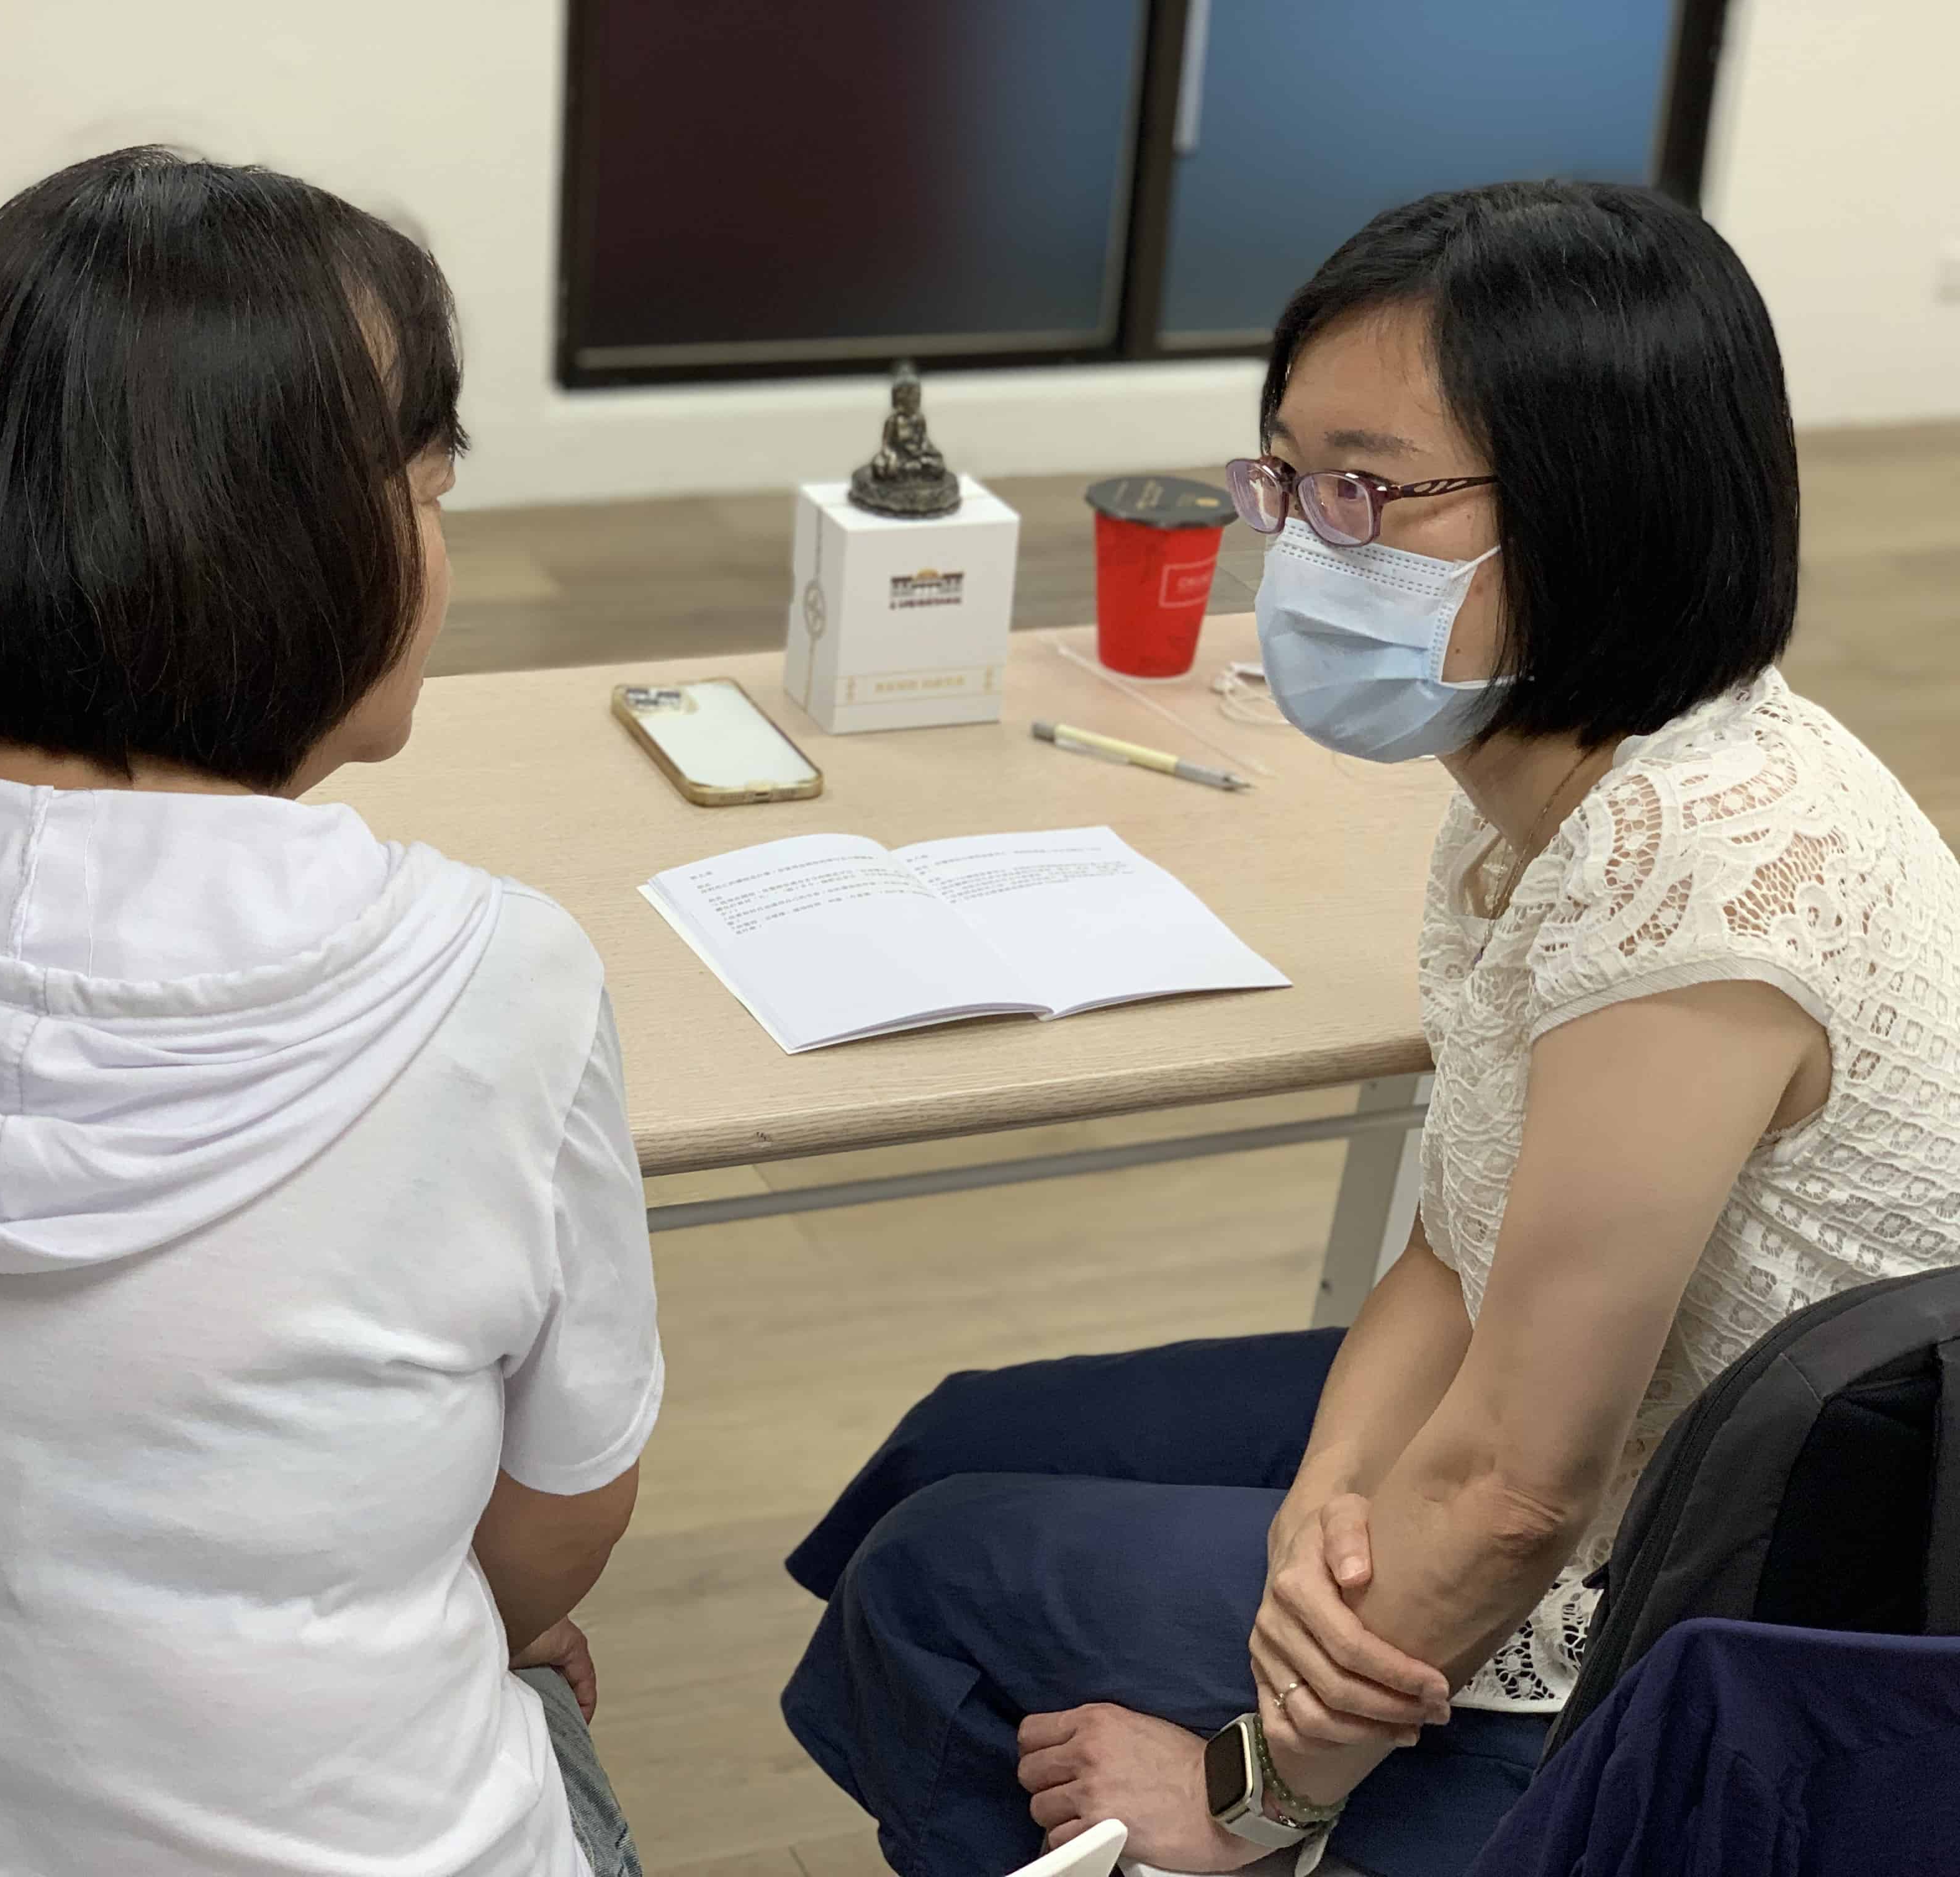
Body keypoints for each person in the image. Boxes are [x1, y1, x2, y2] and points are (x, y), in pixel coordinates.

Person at [781, 179, 1960, 1877]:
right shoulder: (1537, 780)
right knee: (958, 1444)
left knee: (939, 1584)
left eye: (1368, 490)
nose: (1305, 546)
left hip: (1691, 1592)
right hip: (1561, 1418)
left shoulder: (1695, 867)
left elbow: (1520, 1493)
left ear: (1599, 506)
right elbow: (1453, 1236)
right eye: (1289, 478)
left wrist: (1257, 1791)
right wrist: (1321, 1509)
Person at [0, 148, 661, 1877]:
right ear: (305, 547)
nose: (442, 549)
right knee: (533, 1685)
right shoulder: (504, 980)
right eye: (430, 489)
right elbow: (563, 1513)